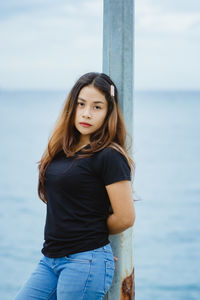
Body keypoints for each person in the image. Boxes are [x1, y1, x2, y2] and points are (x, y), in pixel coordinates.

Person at [14, 72, 136, 300]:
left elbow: (126, 217)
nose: (87, 113)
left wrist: (91, 240)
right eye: (81, 104)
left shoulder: (109, 156)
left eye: (97, 107)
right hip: (50, 260)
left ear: (109, 112)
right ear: (73, 106)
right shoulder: (61, 151)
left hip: (85, 261)